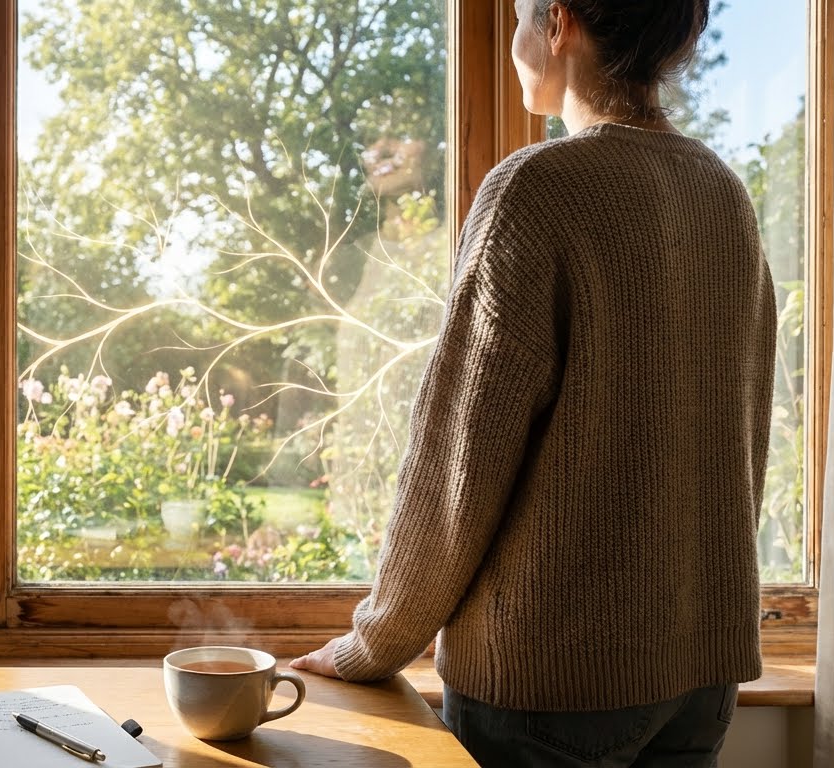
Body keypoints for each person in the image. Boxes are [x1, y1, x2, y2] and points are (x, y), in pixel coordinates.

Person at [290, 1, 775, 766]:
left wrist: (372, 644)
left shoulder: (535, 189)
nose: (514, 42)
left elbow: (457, 461)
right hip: (697, 672)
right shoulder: (723, 194)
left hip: (550, 682)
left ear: (558, 24)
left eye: (518, 17)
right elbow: (740, 436)